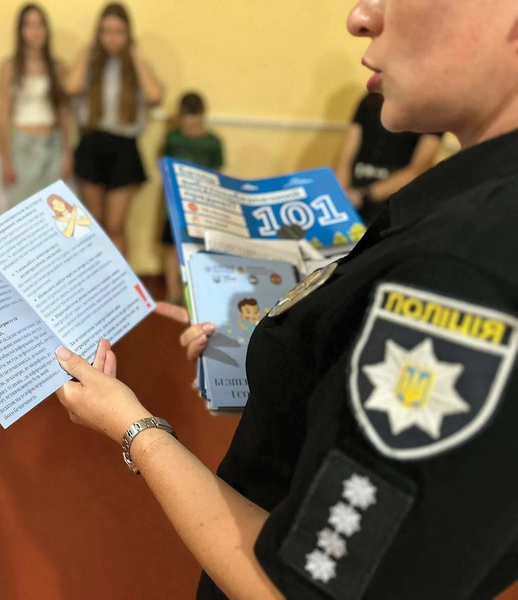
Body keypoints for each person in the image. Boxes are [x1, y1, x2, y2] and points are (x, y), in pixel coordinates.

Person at [51, 0, 518, 598]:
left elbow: (299, 587)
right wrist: (276, 359)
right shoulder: (465, 206)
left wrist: (131, 424)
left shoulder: (464, 269)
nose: (360, 16)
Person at [64, 2, 163, 256]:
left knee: (115, 225)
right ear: (98, 33)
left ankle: (122, 289)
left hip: (124, 149)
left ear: (128, 34)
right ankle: (95, 283)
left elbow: (154, 95)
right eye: (106, 31)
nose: (112, 38)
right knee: (92, 222)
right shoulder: (91, 64)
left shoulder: (136, 67)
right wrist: (88, 50)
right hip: (92, 144)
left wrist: (135, 56)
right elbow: (70, 87)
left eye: (119, 31)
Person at [0, 3, 72, 208]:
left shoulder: (58, 67)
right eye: (29, 25)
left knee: (54, 210)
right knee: (22, 209)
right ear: (20, 31)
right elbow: (3, 117)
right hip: (23, 145)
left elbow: (63, 113)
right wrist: (5, 159)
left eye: (40, 25)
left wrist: (67, 153)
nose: (35, 31)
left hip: (52, 144)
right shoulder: (9, 67)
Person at [334, 91, 442, 225]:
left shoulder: (434, 110)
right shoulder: (370, 100)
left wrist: (364, 196)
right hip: (353, 196)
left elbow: (418, 169)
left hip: (393, 203)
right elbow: (344, 158)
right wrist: (340, 200)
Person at [160, 91, 223, 304]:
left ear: (204, 118)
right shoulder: (173, 139)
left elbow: (217, 172)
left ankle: (199, 293)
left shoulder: (213, 142)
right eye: (188, 126)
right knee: (171, 247)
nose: (192, 131)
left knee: (201, 248)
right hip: (175, 206)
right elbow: (165, 168)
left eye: (196, 126)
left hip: (202, 207)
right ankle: (173, 292)